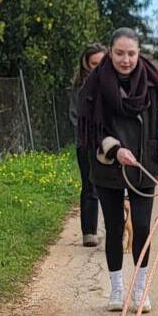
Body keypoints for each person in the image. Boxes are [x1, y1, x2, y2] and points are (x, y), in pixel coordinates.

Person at [78, 28, 158, 312]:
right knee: (115, 226)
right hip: (108, 166)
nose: (125, 60)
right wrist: (114, 149)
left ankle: (140, 290)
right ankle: (116, 290)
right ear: (110, 52)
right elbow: (89, 130)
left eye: (131, 53)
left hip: (143, 163)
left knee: (141, 227)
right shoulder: (94, 85)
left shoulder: (152, 84)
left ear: (139, 53)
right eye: (119, 53)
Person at [70, 43, 108, 247]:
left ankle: (115, 232)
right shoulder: (80, 88)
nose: (97, 67)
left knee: (112, 187)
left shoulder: (114, 83)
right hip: (86, 143)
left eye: (101, 62)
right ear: (86, 64)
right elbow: (75, 116)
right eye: (94, 63)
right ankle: (89, 232)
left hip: (110, 144)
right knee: (90, 185)